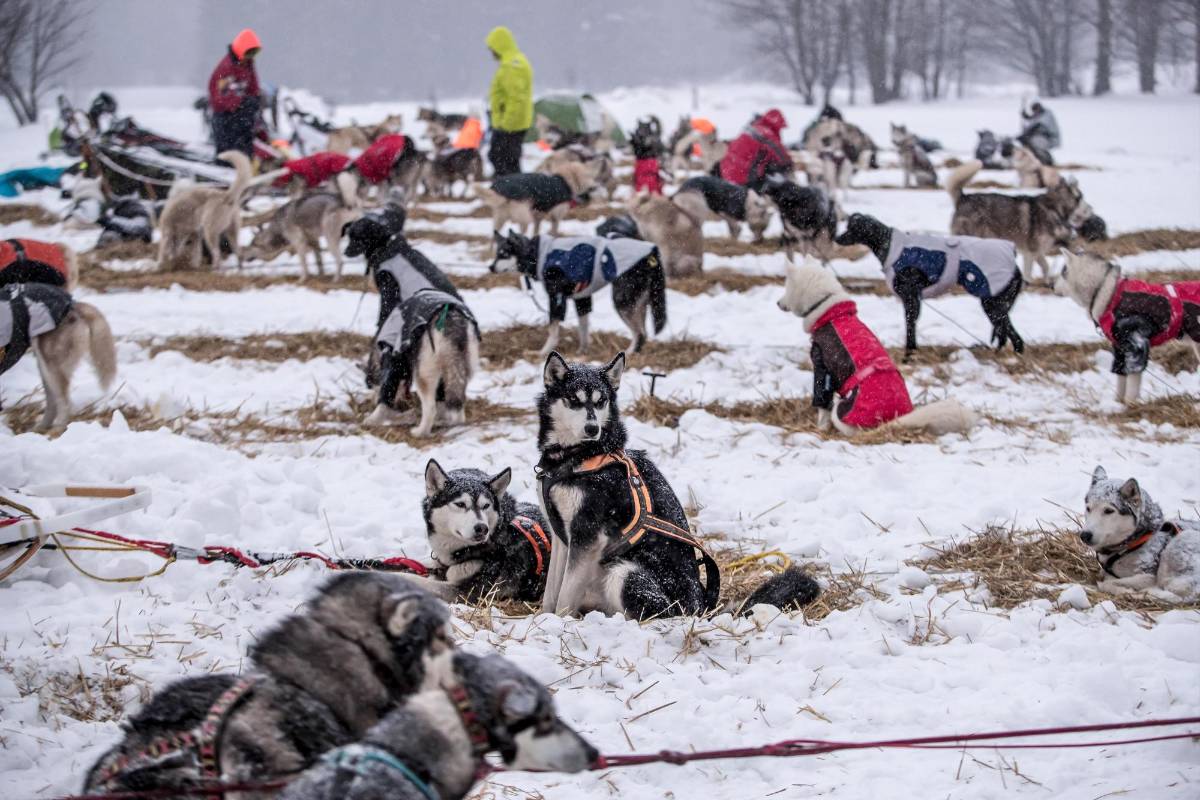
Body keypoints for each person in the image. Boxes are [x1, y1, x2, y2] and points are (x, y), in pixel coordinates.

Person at [485, 26, 533, 177]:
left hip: (510, 125)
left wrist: (506, 124)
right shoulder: (514, 62)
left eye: (492, 48)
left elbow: (516, 99)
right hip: (511, 123)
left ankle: (510, 193)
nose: (491, 52)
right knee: (507, 161)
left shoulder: (512, 66)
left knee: (501, 159)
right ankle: (510, 191)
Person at [208, 29, 263, 159]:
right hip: (225, 117)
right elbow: (221, 97)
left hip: (241, 115)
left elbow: (253, 85)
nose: (250, 57)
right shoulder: (226, 68)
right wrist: (242, 103)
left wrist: (255, 98)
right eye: (248, 53)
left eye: (253, 53)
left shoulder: (248, 64)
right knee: (227, 152)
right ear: (240, 50)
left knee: (245, 146)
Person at [718, 108, 792, 191]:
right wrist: (789, 166)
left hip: (726, 172)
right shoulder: (766, 133)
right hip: (742, 177)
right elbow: (782, 156)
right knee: (773, 180)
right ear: (776, 125)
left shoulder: (752, 128)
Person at [1018, 100, 1060, 165]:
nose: (1035, 112)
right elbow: (1033, 120)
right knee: (1029, 144)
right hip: (1043, 138)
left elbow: (1037, 125)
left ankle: (1046, 161)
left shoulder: (1047, 114)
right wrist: (1026, 116)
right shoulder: (1039, 116)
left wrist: (1025, 134)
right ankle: (1038, 160)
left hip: (1050, 138)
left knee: (1035, 143)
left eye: (1035, 110)